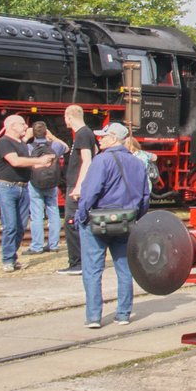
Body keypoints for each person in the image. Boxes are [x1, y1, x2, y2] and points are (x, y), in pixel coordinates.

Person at [76, 122, 151, 328]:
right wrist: (135, 216)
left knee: (93, 270)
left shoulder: (101, 161)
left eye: (104, 137)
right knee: (125, 269)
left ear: (114, 139)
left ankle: (93, 316)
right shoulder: (138, 163)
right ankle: (123, 314)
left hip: (99, 221)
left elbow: (90, 193)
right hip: (127, 222)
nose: (100, 140)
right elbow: (145, 197)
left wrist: (82, 216)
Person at [0, 114, 55, 272]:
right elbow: (15, 161)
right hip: (6, 187)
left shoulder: (21, 143)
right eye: (22, 124)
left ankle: (12, 258)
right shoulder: (4, 142)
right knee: (10, 225)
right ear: (12, 126)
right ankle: (7, 259)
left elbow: (26, 165)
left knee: (20, 226)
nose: (25, 127)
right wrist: (39, 161)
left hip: (22, 186)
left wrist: (46, 163)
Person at [59, 105, 98, 275]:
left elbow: (87, 160)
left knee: (71, 222)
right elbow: (96, 150)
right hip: (77, 183)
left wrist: (79, 185)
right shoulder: (87, 133)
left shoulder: (82, 133)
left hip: (76, 184)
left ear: (68, 117)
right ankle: (81, 261)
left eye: (65, 118)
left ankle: (77, 263)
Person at [25, 120, 68, 254]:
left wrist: (26, 137)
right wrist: (52, 136)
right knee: (53, 211)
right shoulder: (55, 146)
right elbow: (66, 147)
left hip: (35, 182)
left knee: (37, 214)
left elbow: (18, 148)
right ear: (46, 132)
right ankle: (53, 244)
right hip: (51, 182)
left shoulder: (29, 147)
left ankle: (37, 246)